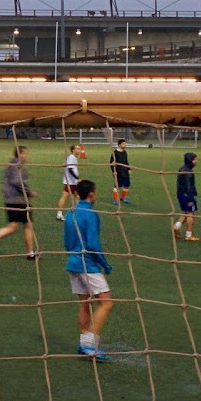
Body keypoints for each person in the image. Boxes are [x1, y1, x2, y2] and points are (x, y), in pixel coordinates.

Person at [63, 179, 114, 360]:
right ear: (92, 194)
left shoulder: (71, 212)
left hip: (73, 262)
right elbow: (93, 244)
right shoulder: (91, 214)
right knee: (106, 303)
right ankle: (89, 346)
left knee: (85, 303)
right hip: (87, 264)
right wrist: (105, 264)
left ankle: (83, 342)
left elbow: (67, 241)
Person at [0, 145, 38, 258]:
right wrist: (29, 192)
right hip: (19, 200)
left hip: (10, 200)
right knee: (28, 225)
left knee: (12, 226)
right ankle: (30, 253)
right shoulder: (17, 166)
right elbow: (17, 182)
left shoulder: (10, 165)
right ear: (20, 154)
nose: (27, 156)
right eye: (25, 153)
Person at [172, 151, 200, 242]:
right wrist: (191, 198)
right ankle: (189, 235)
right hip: (187, 195)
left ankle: (176, 227)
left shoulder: (182, 168)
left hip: (180, 194)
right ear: (190, 160)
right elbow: (188, 186)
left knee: (185, 212)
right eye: (194, 159)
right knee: (190, 214)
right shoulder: (189, 171)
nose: (196, 161)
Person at [56, 144, 83, 219]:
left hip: (72, 181)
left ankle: (75, 211)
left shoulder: (72, 158)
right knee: (65, 196)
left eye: (79, 149)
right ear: (73, 150)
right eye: (77, 149)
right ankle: (59, 213)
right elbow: (70, 169)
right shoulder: (71, 157)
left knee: (77, 196)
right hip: (71, 182)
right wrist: (77, 178)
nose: (79, 150)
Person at [109, 138, 132, 206]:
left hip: (125, 171)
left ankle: (123, 198)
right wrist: (113, 171)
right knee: (117, 186)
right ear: (119, 145)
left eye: (125, 144)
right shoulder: (114, 153)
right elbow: (111, 163)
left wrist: (129, 169)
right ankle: (116, 199)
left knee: (126, 185)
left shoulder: (125, 152)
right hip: (118, 171)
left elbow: (126, 161)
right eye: (123, 144)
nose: (125, 145)